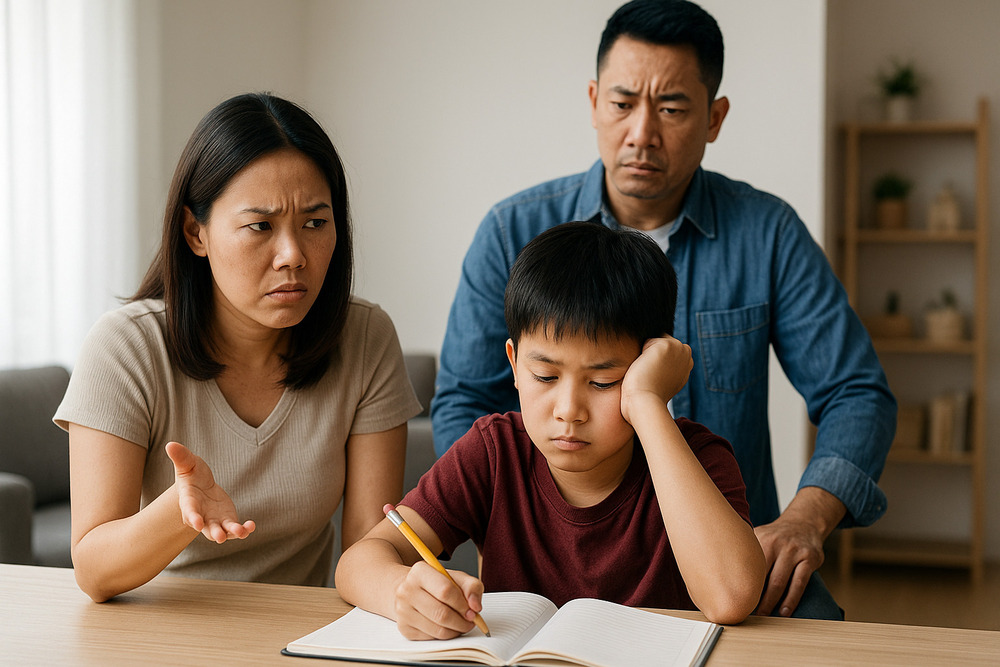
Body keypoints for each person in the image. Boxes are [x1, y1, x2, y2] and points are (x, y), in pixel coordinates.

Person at [430, 0, 895, 620]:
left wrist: (805, 520)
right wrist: (514, 530)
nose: (641, 133)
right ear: (594, 101)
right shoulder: (513, 229)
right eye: (622, 104)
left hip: (731, 565)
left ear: (714, 118)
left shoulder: (767, 233)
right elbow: (463, 402)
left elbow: (857, 392)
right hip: (552, 579)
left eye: (672, 108)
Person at [54, 93, 422, 602]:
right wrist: (178, 510)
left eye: (315, 223)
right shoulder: (125, 348)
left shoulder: (365, 338)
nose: (293, 255)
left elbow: (369, 546)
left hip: (303, 636)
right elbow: (93, 571)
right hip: (157, 636)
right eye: (260, 226)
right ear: (195, 232)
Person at [337, 223, 765, 636]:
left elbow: (731, 597)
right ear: (514, 364)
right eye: (545, 376)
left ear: (651, 365)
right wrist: (404, 593)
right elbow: (357, 563)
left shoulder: (697, 457)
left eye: (603, 382)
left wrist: (648, 403)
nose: (569, 411)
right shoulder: (493, 451)